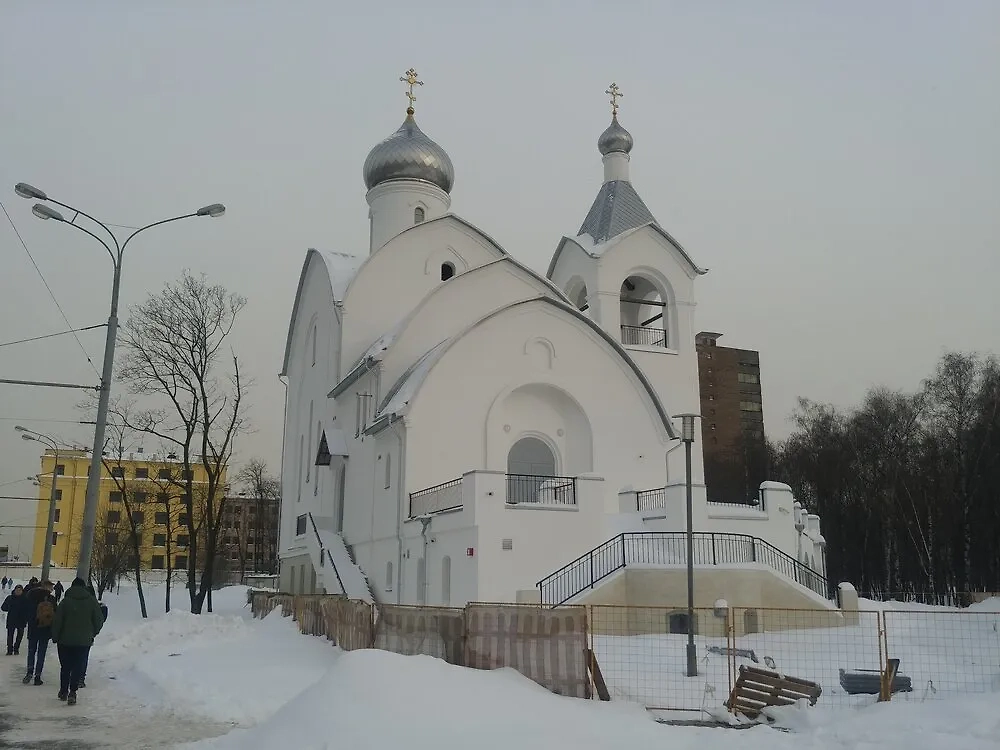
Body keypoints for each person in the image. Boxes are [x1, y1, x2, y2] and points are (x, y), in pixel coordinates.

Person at [51, 578, 103, 705]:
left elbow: (57, 621)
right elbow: (99, 620)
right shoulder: (91, 601)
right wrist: (92, 633)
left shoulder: (65, 602)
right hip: (83, 642)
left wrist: (55, 636)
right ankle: (73, 692)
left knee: (65, 667)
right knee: (77, 667)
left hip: (64, 641)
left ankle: (63, 691)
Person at [23, 580, 56, 685]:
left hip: (33, 628)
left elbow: (27, 612)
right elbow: (55, 614)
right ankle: (37, 676)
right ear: (47, 587)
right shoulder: (51, 599)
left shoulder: (31, 596)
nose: (52, 589)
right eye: (51, 587)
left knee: (31, 651)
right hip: (45, 629)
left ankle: (29, 672)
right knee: (41, 653)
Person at [78, 585, 108, 688]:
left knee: (74, 656)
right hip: (87, 636)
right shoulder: (95, 605)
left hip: (74, 634)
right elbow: (100, 620)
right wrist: (93, 632)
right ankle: (81, 678)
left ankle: (74, 675)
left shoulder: (79, 603)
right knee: (84, 657)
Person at [1, 585, 29, 655]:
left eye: (20, 590)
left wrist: (26, 617)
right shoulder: (10, 598)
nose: (18, 592)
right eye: (17, 590)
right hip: (11, 619)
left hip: (21, 620)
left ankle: (16, 648)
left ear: (22, 591)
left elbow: (28, 609)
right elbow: (3, 607)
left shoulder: (25, 599)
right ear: (14, 590)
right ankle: (9, 649)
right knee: (10, 635)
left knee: (20, 635)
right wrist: (8, 606)